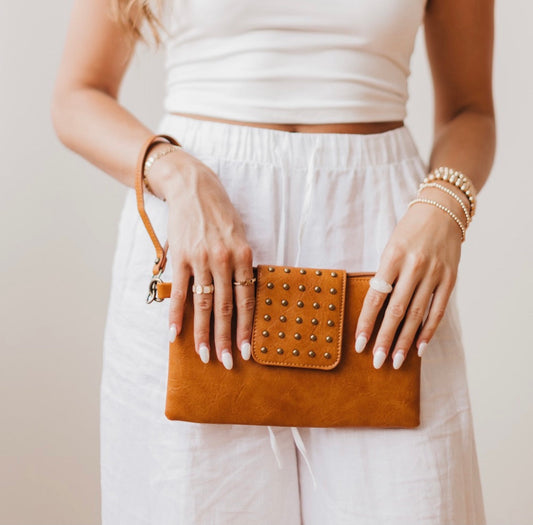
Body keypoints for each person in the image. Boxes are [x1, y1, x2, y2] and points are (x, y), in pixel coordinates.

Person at [51, 0, 495, 523]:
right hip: (201, 245)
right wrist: (176, 174)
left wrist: (445, 207)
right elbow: (77, 96)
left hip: (385, 250)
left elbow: (470, 109)